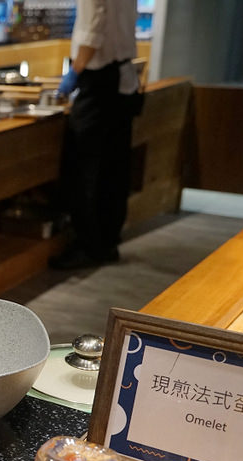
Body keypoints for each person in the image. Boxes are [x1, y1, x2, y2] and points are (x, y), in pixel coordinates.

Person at [49, 0, 141, 270]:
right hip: (123, 77)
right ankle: (106, 242)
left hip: (99, 80)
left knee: (84, 169)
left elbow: (94, 29)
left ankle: (88, 245)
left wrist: (74, 73)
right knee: (114, 167)